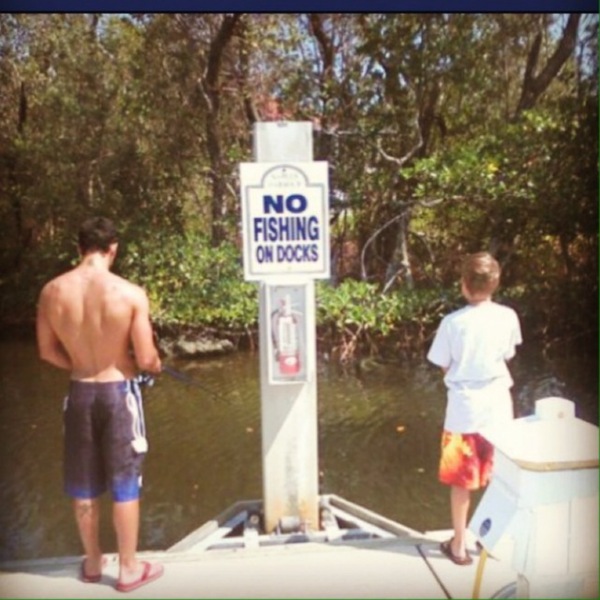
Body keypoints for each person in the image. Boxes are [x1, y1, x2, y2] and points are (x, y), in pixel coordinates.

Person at [36, 216, 164, 592]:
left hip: (80, 393)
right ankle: (128, 569)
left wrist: (80, 365)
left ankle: (93, 562)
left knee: (83, 484)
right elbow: (146, 358)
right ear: (113, 249)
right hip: (119, 394)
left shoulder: (51, 292)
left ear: (79, 248)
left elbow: (47, 351)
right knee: (125, 483)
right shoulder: (130, 294)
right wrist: (153, 366)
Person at [427, 252, 522, 566]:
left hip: (464, 409)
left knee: (461, 480)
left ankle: (459, 545)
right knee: (500, 477)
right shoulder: (508, 316)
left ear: (464, 285)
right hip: (498, 407)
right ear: (495, 283)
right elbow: (507, 354)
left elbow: (443, 363)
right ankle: (492, 539)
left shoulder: (452, 323)